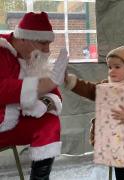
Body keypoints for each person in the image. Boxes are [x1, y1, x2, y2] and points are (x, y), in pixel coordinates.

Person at [65, 44, 124, 180]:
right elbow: (91, 90)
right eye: (109, 67)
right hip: (117, 144)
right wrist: (71, 81)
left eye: (117, 67)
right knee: (121, 176)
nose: (111, 71)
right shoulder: (107, 87)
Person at [0, 12, 68, 180]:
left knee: (50, 123)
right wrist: (41, 85)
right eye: (43, 43)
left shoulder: (35, 58)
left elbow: (55, 95)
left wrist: (45, 102)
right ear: (23, 38)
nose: (47, 50)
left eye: (49, 43)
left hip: (14, 125)